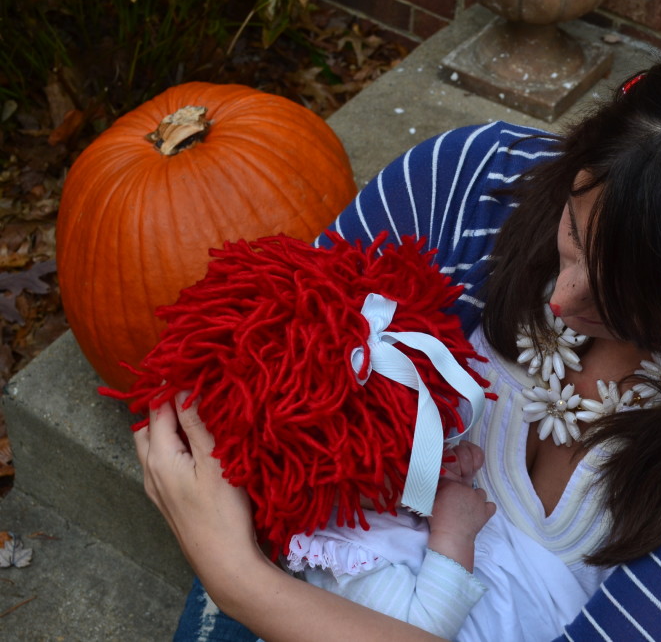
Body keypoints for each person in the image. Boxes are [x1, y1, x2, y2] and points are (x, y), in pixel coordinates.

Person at [135, 12, 661, 641]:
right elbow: (260, 368)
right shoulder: (468, 184)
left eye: (630, 307)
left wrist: (238, 578)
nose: (563, 299)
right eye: (577, 235)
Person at [111, 233, 589, 641]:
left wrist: (440, 478)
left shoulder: (359, 503)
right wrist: (451, 533)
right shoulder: (349, 563)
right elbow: (425, 626)